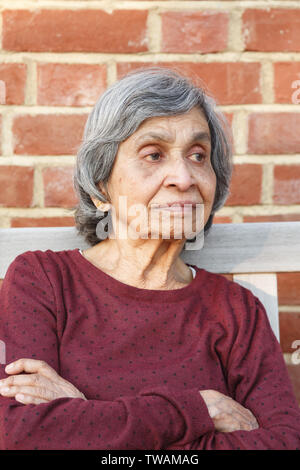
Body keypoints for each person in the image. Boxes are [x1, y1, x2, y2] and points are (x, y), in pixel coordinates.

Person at [0, 67, 299, 450]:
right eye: (154, 154)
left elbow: (283, 444)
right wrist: (200, 412)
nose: (184, 177)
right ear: (100, 188)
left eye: (198, 155)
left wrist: (86, 413)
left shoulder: (236, 310)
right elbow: (28, 435)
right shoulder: (43, 280)